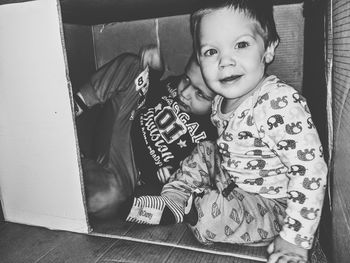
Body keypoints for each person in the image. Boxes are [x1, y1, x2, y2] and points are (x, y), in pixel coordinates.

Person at [124, 1, 328, 263]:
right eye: (211, 51)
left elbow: (310, 170)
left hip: (271, 205)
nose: (225, 61)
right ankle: (173, 198)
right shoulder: (219, 100)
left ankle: (193, 207)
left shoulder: (279, 102)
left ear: (268, 48)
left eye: (241, 44)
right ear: (199, 57)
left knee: (209, 218)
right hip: (232, 179)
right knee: (205, 150)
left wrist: (295, 239)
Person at [73, 46, 217, 219]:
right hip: (125, 122)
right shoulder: (174, 87)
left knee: (107, 199)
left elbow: (198, 175)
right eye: (186, 79)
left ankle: (75, 167)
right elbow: (149, 88)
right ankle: (73, 107)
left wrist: (174, 176)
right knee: (135, 65)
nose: (185, 93)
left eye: (200, 94)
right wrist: (156, 69)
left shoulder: (211, 134)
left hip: (130, 172)